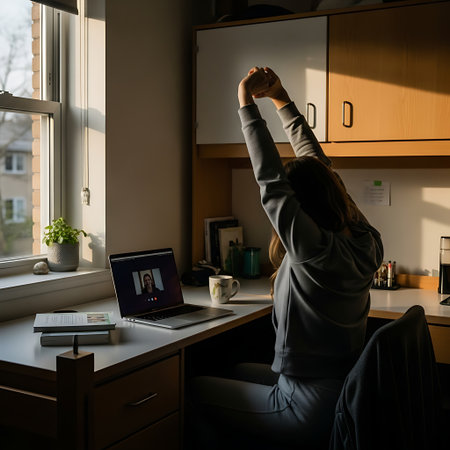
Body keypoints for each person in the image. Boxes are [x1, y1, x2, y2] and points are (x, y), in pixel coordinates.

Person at [186, 67, 383, 450]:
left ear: (299, 206)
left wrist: (246, 103)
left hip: (303, 405)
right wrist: (281, 99)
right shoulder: (365, 240)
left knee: (193, 389)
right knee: (237, 369)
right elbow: (321, 170)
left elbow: (271, 180)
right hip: (340, 392)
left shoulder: (314, 249)